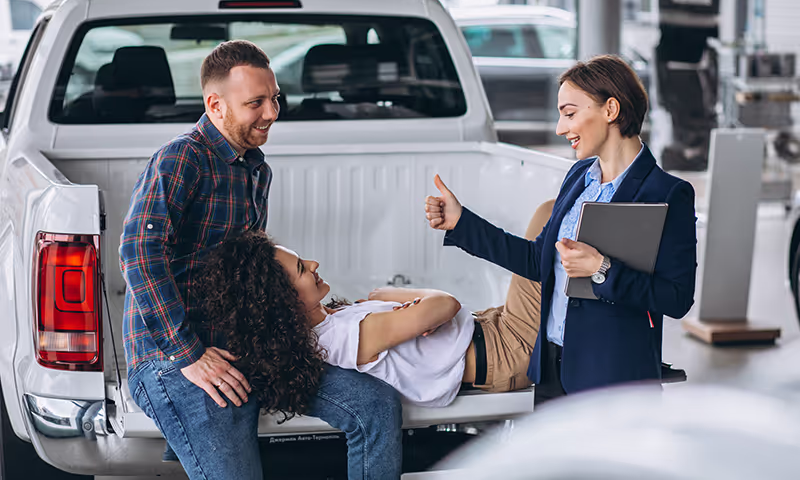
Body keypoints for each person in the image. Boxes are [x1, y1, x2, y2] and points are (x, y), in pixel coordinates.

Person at [119, 40, 402, 480]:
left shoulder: (255, 169)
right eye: (256, 103)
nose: (272, 112)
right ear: (215, 105)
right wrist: (189, 354)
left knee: (375, 405)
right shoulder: (182, 158)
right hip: (172, 357)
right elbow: (138, 252)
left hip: (243, 349)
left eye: (274, 98)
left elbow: (252, 278)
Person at [424, 55, 697, 406]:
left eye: (569, 114)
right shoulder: (578, 178)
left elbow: (676, 298)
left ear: (611, 109)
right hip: (552, 371)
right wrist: (462, 222)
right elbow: (537, 260)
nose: (559, 128)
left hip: (613, 381)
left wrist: (602, 270)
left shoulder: (667, 193)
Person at [194, 200, 551, 408]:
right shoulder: (345, 336)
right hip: (507, 349)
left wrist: (415, 309)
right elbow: (446, 304)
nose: (314, 264)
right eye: (302, 269)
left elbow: (437, 312)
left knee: (551, 222)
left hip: (493, 328)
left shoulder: (334, 321)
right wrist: (390, 295)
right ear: (283, 301)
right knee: (551, 214)